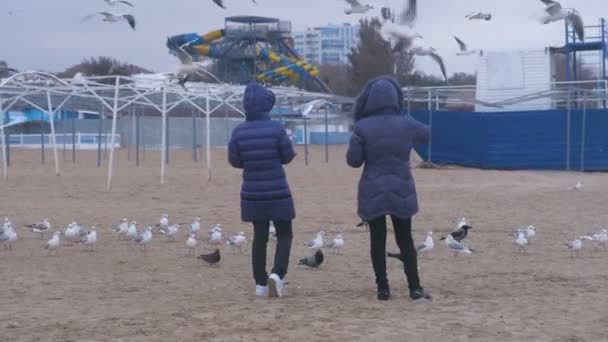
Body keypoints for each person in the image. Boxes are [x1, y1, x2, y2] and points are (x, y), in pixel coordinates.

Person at [347, 76, 431, 301]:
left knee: (378, 240)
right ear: (396, 98)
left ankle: (383, 288)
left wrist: (355, 140)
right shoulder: (407, 123)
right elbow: (427, 134)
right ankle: (415, 287)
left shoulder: (362, 127)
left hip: (372, 189)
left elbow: (353, 161)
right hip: (402, 187)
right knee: (406, 239)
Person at [228, 83, 296, 298]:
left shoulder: (238, 131)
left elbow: (235, 161)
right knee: (284, 233)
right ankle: (277, 274)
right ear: (267, 105)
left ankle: (260, 284)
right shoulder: (277, 128)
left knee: (260, 236)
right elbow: (287, 155)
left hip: (252, 193)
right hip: (278, 191)